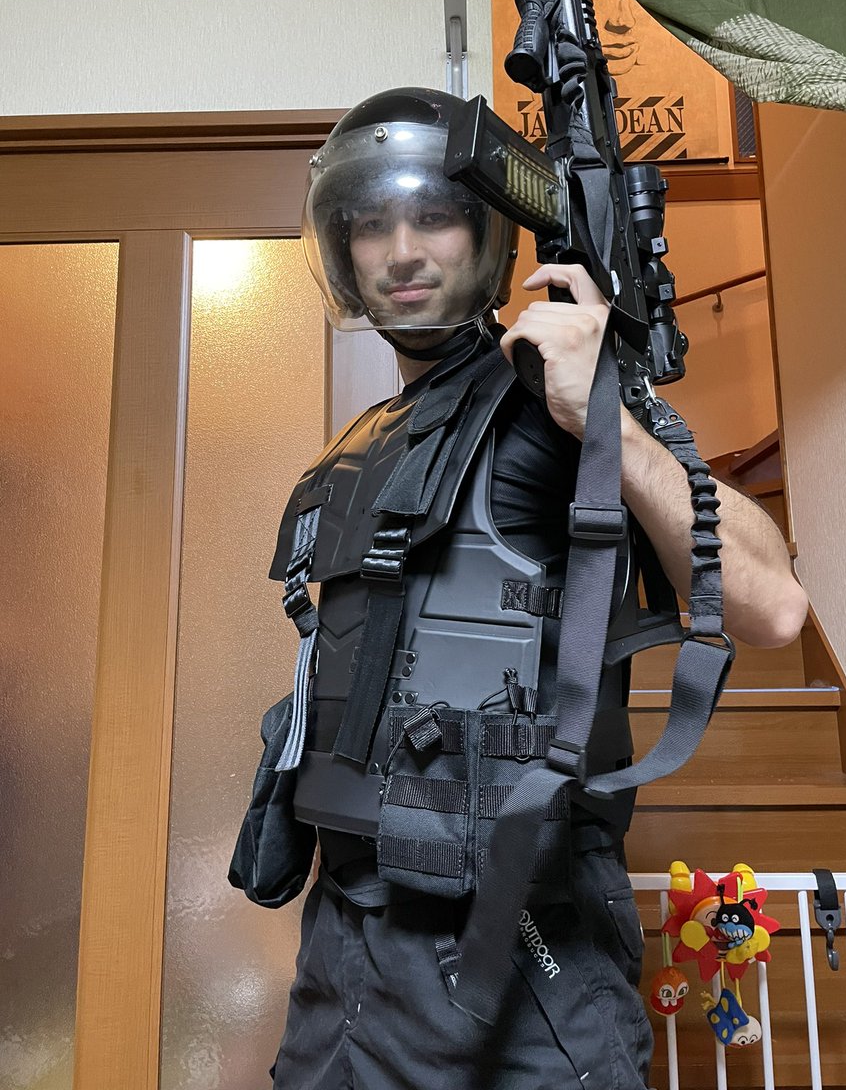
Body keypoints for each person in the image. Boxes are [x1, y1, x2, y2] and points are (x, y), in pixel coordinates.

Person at [266, 87, 808, 1090]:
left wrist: (608, 420)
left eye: (434, 216)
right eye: (372, 224)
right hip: (343, 949)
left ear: (487, 237)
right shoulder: (352, 451)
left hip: (519, 948)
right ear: (343, 250)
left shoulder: (547, 402)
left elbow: (771, 606)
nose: (402, 252)